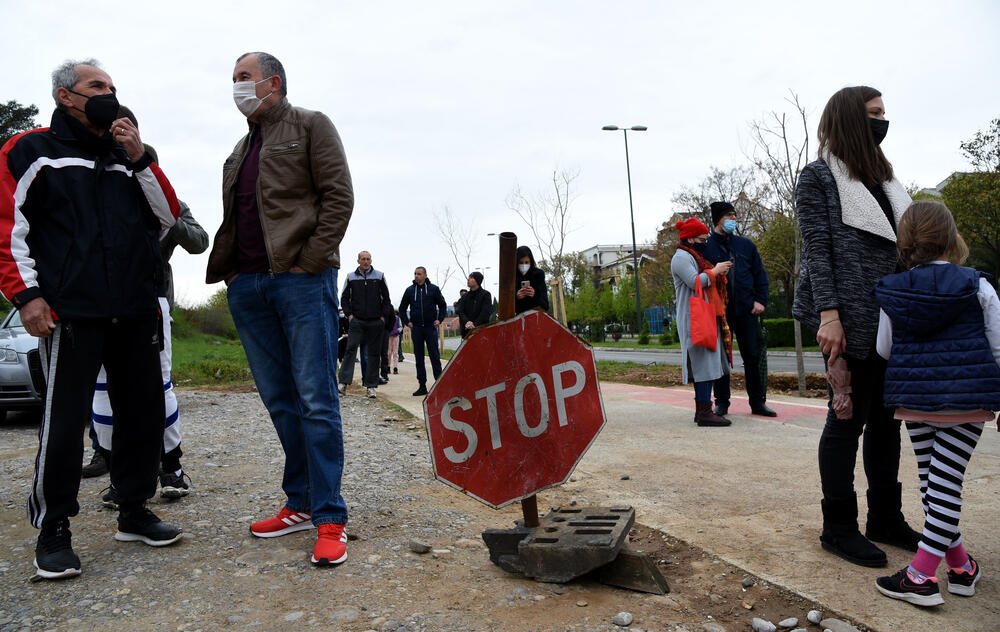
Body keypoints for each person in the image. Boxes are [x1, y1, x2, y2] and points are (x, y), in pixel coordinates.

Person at [0, 59, 183, 579]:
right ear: (65, 96)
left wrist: (139, 155)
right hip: (69, 313)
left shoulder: (126, 156)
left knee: (142, 415)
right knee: (63, 425)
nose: (109, 93)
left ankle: (133, 510)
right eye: (96, 86)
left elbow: (169, 217)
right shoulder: (31, 150)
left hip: (133, 309)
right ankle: (53, 528)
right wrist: (26, 296)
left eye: (113, 87)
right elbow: (6, 228)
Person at [206, 51, 353, 567]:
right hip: (248, 288)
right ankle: (301, 502)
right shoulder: (241, 147)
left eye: (243, 78)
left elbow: (339, 197)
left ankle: (330, 515)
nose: (237, 87)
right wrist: (234, 277)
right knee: (279, 400)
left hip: (300, 283)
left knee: (316, 399)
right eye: (233, 80)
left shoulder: (311, 125)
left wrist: (308, 263)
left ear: (273, 82)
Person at [793, 85, 920, 568]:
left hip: (891, 320)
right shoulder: (819, 177)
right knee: (846, 420)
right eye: (874, 114)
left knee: (888, 425)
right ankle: (839, 526)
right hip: (846, 319)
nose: (882, 121)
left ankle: (885, 518)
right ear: (850, 118)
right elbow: (817, 251)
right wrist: (829, 316)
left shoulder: (887, 181)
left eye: (884, 112)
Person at [871, 201, 995, 606]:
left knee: (934, 486)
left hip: (915, 401)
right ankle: (960, 567)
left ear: (905, 244)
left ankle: (921, 575)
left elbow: (884, 349)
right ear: (951, 238)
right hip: (967, 400)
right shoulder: (978, 286)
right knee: (943, 486)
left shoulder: (894, 290)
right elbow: (998, 348)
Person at [85, 109, 209, 503]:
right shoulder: (87, 185)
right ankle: (114, 466)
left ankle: (170, 465)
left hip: (151, 297)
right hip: (97, 300)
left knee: (157, 383)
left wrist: (163, 212)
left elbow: (199, 241)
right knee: (103, 387)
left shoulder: (165, 193)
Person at [703, 201, 775, 417]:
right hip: (719, 312)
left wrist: (760, 300)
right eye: (728, 215)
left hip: (746, 310)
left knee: (752, 356)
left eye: (734, 215)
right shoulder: (706, 247)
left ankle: (757, 402)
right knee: (721, 359)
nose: (733, 219)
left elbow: (760, 276)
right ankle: (722, 402)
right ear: (717, 220)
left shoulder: (746, 245)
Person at [670, 218, 733, 427]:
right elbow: (694, 282)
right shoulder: (681, 258)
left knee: (707, 363)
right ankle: (705, 412)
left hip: (703, 315)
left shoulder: (693, 256)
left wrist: (715, 272)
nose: (704, 242)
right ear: (689, 238)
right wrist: (714, 272)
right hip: (693, 318)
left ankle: (703, 410)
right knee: (702, 364)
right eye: (701, 239)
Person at [338, 251, 391, 399]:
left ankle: (371, 387)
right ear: (358, 261)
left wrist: (382, 317)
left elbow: (386, 299)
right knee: (350, 350)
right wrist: (349, 315)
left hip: (375, 321)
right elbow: (344, 298)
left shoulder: (379, 276)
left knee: (373, 354)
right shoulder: (350, 277)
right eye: (363, 259)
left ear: (371, 260)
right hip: (357, 321)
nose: (366, 262)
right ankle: (343, 383)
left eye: (368, 259)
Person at [398, 267, 447, 396]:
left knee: (434, 357)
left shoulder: (433, 289)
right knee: (419, 358)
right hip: (417, 329)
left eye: (419, 274)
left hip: (431, 328)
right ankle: (422, 386)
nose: (416, 276)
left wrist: (440, 319)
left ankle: (439, 385)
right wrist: (407, 322)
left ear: (425, 275)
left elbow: (442, 305)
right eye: (415, 274)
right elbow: (402, 308)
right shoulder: (410, 290)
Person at [456, 272, 493, 337]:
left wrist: (474, 325)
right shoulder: (465, 296)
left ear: (477, 281)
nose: (468, 279)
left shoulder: (485, 295)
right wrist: (467, 322)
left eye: (471, 277)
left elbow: (485, 312)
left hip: (481, 331)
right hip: (466, 331)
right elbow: (461, 311)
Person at [515, 246, 549, 314]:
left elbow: (545, 305)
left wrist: (535, 295)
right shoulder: (512, 277)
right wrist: (516, 297)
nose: (524, 265)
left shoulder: (539, 275)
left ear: (531, 261)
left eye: (526, 262)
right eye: (521, 263)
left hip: (536, 317)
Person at [387, 310, 402, 375]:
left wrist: (397, 331)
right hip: (389, 336)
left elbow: (401, 327)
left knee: (395, 352)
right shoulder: (388, 318)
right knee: (389, 352)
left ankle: (395, 368)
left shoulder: (398, 318)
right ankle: (388, 367)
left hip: (396, 336)